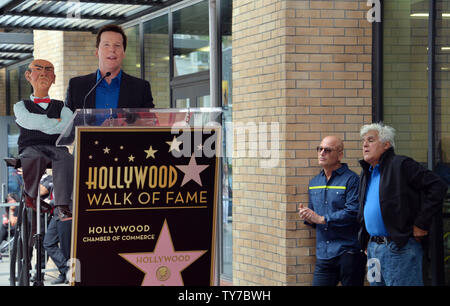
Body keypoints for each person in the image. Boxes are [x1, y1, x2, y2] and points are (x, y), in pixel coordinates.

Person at [358, 123, 448, 286]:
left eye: (370, 140)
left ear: (386, 145)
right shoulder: (366, 173)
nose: (365, 144)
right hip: (373, 249)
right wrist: (365, 240)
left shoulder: (400, 164)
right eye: (363, 141)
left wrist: (421, 223)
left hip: (398, 248)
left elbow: (438, 185)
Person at [298, 136, 366, 286]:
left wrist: (322, 219)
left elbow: (354, 212)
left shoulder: (352, 180)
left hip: (348, 252)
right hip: (324, 254)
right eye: (320, 149)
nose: (322, 153)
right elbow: (315, 217)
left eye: (327, 150)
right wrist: (308, 216)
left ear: (340, 154)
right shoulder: (314, 182)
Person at [13, 59, 74, 221]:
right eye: (38, 69)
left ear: (54, 78)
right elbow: (28, 121)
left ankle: (63, 205)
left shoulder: (62, 106)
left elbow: (65, 127)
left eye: (48, 70)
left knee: (67, 157)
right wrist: (56, 122)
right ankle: (31, 196)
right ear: (28, 75)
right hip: (30, 147)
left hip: (56, 147)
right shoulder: (20, 106)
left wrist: (40, 123)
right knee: (33, 156)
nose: (43, 73)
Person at [65, 24, 154, 112]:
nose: (112, 49)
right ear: (97, 52)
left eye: (117, 45)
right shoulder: (76, 86)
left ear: (124, 53)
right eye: (106, 44)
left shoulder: (140, 88)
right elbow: (66, 123)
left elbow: (150, 123)